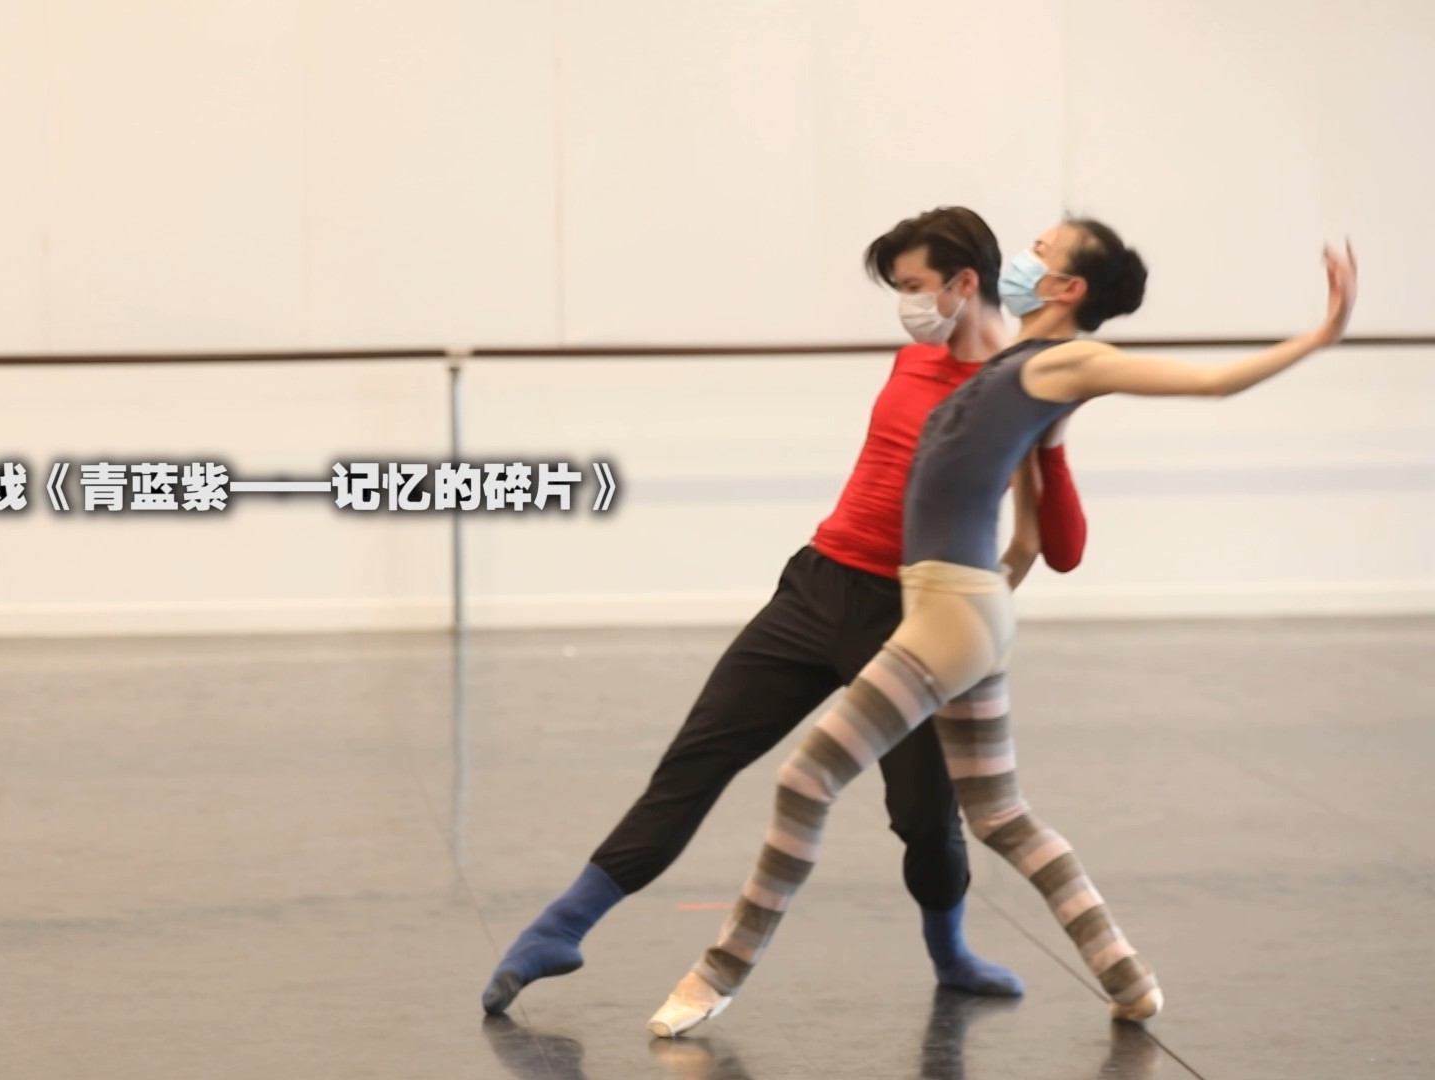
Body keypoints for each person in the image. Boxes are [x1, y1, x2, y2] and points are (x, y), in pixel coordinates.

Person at [646, 220, 1358, 1037]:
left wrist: (1321, 333)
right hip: (962, 610)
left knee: (806, 781)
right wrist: (982, 606)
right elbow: (1026, 536)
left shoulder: (1066, 362)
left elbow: (1211, 383)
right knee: (1000, 817)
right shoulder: (1010, 367)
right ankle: (1128, 978)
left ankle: (718, 973)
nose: (1023, 257)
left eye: (1043, 252)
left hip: (953, 615)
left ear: (1067, 289)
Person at [481, 207, 1092, 1017]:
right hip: (816, 587)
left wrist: (1052, 438)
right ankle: (562, 926)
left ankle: (950, 952)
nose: (907, 305)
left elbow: (1063, 547)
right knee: (697, 758)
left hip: (913, 621)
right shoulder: (912, 359)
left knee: (924, 822)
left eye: (915, 286)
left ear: (963, 281)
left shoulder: (1017, 390)